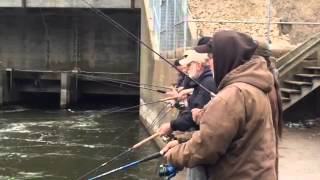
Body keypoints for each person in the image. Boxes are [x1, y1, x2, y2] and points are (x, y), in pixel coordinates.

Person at [161, 30, 279, 180]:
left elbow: (206, 148)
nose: (209, 63)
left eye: (211, 57)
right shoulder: (253, 87)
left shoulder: (233, 95)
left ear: (224, 57)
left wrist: (174, 154)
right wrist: (189, 132)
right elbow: (235, 133)